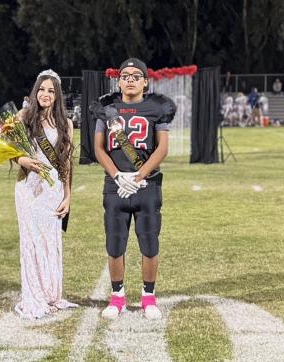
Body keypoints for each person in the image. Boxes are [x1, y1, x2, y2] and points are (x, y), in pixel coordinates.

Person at [90, 58, 176, 320]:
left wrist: (139, 176)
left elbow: (162, 147)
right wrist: (117, 176)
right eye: (125, 75)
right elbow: (98, 148)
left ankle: (148, 297)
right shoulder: (107, 106)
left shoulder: (156, 107)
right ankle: (117, 297)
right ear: (119, 80)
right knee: (115, 244)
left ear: (145, 81)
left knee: (149, 243)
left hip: (146, 185)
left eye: (135, 75)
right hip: (115, 186)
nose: (129, 79)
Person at [12, 69, 78, 319]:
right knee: (31, 241)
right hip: (28, 188)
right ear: (35, 91)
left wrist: (68, 196)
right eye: (41, 89)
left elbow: (67, 164)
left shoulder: (66, 124)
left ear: (57, 95)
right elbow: (8, 150)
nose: (45, 94)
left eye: (51, 91)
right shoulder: (23, 117)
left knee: (50, 242)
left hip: (53, 191)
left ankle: (51, 294)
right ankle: (34, 295)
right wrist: (22, 160)